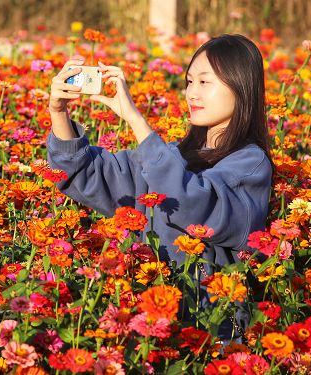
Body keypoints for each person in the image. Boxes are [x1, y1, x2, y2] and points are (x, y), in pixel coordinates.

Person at [46, 33, 272, 339]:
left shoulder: (251, 164)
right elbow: (90, 174)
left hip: (210, 332)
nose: (192, 93)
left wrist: (136, 121)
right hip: (153, 324)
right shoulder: (173, 157)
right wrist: (58, 112)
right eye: (190, 81)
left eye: (205, 82)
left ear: (241, 87)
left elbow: (195, 205)